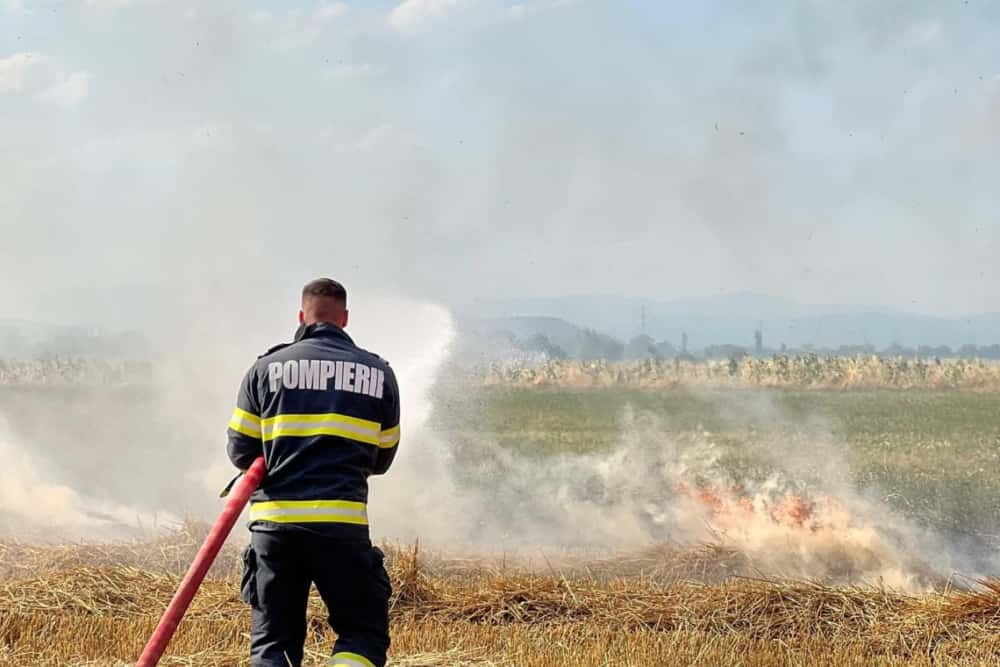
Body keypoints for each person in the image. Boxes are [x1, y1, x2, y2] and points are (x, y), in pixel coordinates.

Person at [226, 278, 400, 667]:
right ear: (345, 319)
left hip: (275, 530)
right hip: (342, 528)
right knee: (362, 633)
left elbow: (241, 452)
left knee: (274, 646)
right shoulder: (378, 374)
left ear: (302, 316)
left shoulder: (264, 369)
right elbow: (382, 459)